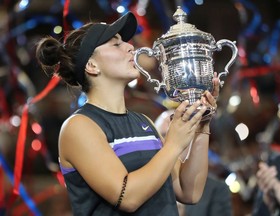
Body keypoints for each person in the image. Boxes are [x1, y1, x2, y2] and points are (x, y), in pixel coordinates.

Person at [35, 11, 219, 215]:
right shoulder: (78, 127)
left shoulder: (145, 123)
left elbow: (188, 191)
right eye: (116, 44)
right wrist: (174, 144)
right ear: (91, 65)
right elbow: (127, 197)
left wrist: (202, 126)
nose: (130, 47)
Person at [155, 110, 232, 216]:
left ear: (193, 138)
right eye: (164, 135)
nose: (172, 140)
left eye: (179, 133)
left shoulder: (217, 190)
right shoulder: (148, 186)